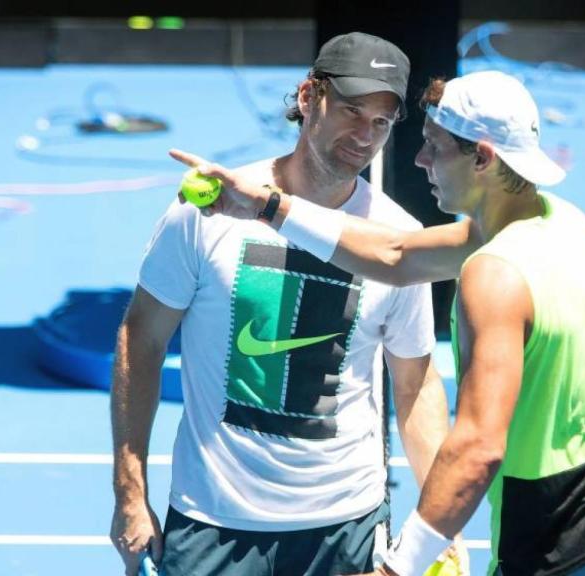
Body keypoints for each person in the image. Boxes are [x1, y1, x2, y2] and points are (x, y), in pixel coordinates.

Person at [172, 70, 585, 575]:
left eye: (434, 146)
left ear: (482, 157)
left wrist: (398, 568)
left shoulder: (493, 275)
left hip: (570, 552)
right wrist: (265, 205)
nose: (420, 159)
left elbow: (478, 447)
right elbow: (393, 253)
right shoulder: (563, 224)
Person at [112, 32, 465, 576]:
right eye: (351, 111)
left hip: (345, 527)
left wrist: (437, 528)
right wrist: (130, 495)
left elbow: (416, 385)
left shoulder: (399, 240)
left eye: (380, 121)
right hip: (213, 523)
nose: (363, 135)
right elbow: (143, 338)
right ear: (308, 97)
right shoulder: (206, 212)